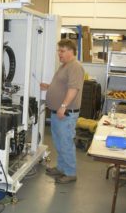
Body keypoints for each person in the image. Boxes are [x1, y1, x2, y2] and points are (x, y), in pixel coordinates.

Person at [40, 39, 84, 184]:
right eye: (58, 51)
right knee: (59, 142)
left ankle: (70, 173)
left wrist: (63, 106)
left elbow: (73, 89)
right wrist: (49, 87)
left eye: (62, 51)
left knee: (65, 142)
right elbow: (62, 85)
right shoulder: (64, 66)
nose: (59, 54)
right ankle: (61, 168)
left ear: (71, 51)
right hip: (57, 112)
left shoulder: (74, 66)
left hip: (66, 113)